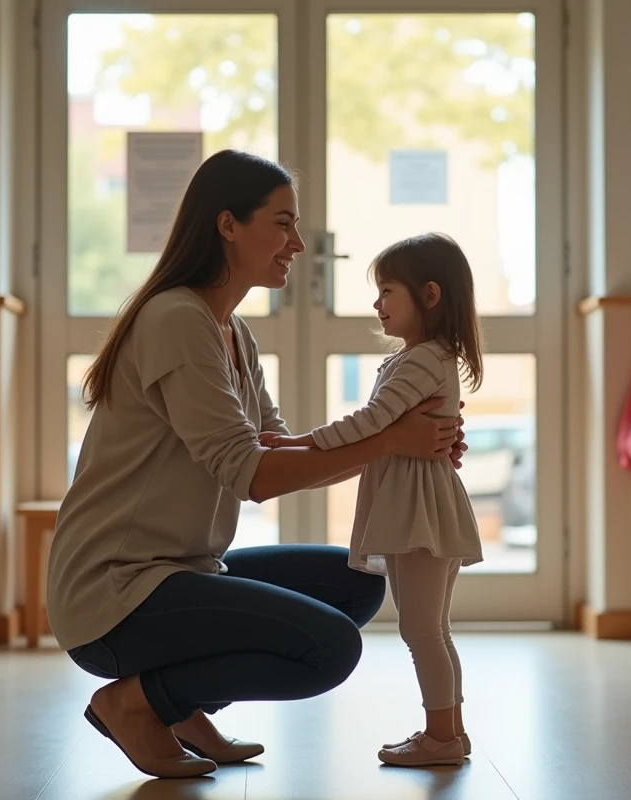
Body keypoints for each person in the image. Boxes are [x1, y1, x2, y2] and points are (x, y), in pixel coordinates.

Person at [45, 149, 467, 779]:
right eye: (284, 223)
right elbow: (255, 477)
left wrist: (413, 447)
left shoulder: (232, 331)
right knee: (328, 647)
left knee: (354, 582)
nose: (298, 243)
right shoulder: (176, 321)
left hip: (184, 572)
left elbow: (275, 446)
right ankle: (136, 702)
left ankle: (178, 703)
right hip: (114, 592)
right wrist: (389, 441)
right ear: (227, 225)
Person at [264, 233, 484, 768]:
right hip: (425, 506)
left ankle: (442, 736)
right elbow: (378, 431)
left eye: (387, 291)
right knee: (433, 629)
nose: (376, 303)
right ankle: (449, 731)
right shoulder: (425, 358)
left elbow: (367, 425)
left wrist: (290, 443)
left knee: (421, 630)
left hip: (419, 513)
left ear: (429, 295)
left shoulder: (420, 362)